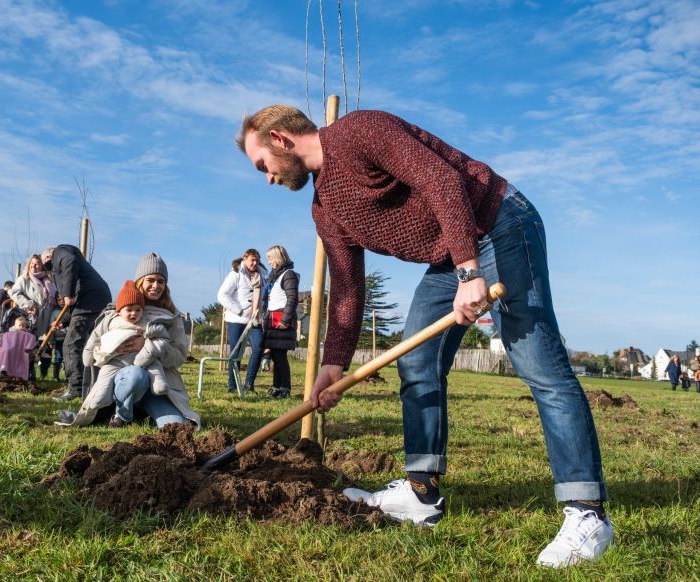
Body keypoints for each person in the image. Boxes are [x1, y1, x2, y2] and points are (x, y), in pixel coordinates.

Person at [237, 105, 613, 568]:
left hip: (497, 223)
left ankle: (587, 514)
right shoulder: (324, 209)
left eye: (262, 166)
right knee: (415, 362)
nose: (268, 178)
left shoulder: (358, 131)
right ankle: (422, 494)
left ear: (279, 138)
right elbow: (350, 289)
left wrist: (469, 271)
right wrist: (333, 365)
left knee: (538, 363)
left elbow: (443, 181)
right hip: (449, 255)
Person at [56, 254, 201, 429]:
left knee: (178, 427)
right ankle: (119, 412)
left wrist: (149, 347)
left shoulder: (172, 317)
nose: (156, 286)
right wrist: (114, 350)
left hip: (157, 389)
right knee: (135, 376)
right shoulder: (115, 313)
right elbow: (95, 352)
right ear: (140, 281)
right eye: (150, 280)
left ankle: (142, 412)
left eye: (161, 281)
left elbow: (178, 358)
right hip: (122, 381)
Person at [41, 245, 112, 401]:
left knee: (71, 344)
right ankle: (94, 385)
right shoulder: (60, 270)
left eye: (46, 258)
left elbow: (69, 260)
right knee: (92, 345)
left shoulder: (61, 251)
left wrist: (67, 292)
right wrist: (64, 322)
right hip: (95, 299)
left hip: (90, 299)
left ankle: (76, 388)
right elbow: (72, 307)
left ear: (51, 254)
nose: (46, 262)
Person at [217, 248, 267, 393]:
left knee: (258, 348)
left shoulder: (261, 275)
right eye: (252, 260)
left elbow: (263, 296)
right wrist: (238, 310)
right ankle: (232, 385)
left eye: (257, 260)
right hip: (236, 319)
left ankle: (249, 384)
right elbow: (222, 295)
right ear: (245, 259)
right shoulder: (236, 274)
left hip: (254, 319)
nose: (255, 263)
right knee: (235, 352)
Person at [262, 245, 300, 399]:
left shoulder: (288, 274)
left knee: (280, 357)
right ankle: (276, 386)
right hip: (273, 318)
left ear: (277, 258)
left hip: (281, 319)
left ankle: (285, 388)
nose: (269, 262)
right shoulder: (277, 275)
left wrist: (285, 320)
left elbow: (292, 298)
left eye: (270, 258)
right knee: (276, 356)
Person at [9, 254, 57, 340]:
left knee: (36, 342)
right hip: (28, 317)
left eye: (37, 263)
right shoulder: (24, 278)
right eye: (32, 263)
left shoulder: (48, 279)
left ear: (42, 265)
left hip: (45, 317)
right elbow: (13, 293)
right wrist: (29, 304)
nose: (33, 266)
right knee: (26, 341)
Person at [0, 315, 38, 380]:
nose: (22, 327)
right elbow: (5, 341)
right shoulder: (9, 333)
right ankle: (5, 368)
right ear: (15, 326)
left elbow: (31, 342)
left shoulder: (27, 335)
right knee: (6, 351)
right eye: (20, 325)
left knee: (25, 357)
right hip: (10, 350)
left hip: (22, 351)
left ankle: (20, 375)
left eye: (23, 326)